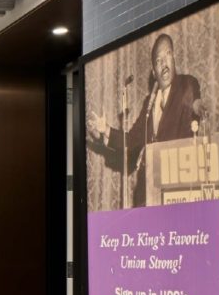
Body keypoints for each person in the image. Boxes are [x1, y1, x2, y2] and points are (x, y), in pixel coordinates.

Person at [87, 33, 203, 207]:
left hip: (177, 190)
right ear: (153, 71)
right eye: (158, 61)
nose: (163, 64)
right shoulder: (149, 103)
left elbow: (194, 104)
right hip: (148, 192)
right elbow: (132, 139)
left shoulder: (187, 84)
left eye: (167, 55)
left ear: (174, 57)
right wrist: (106, 130)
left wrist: (198, 106)